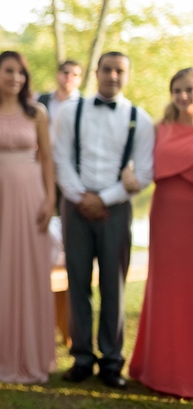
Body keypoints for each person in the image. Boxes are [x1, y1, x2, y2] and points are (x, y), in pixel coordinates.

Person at [52, 51, 154, 389]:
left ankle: (112, 361)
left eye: (119, 70)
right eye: (107, 69)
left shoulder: (140, 119)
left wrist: (104, 199)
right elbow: (60, 158)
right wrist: (81, 196)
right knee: (77, 282)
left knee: (114, 285)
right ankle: (81, 357)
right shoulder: (70, 111)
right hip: (75, 204)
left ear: (128, 74)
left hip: (116, 207)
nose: (113, 75)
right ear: (96, 72)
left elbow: (144, 171)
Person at [0, 51, 56, 384]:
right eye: (8, 71)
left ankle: (31, 354)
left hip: (31, 194)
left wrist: (50, 198)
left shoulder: (38, 113)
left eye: (20, 72)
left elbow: (47, 159)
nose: (15, 78)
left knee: (30, 269)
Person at [129, 67, 193, 398]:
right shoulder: (158, 129)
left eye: (190, 89)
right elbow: (139, 167)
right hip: (166, 216)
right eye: (177, 90)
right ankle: (160, 370)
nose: (183, 96)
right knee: (166, 290)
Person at [38, 60, 82, 129]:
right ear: (57, 74)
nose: (69, 77)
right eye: (66, 73)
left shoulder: (84, 105)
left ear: (80, 79)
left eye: (75, 75)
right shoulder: (41, 100)